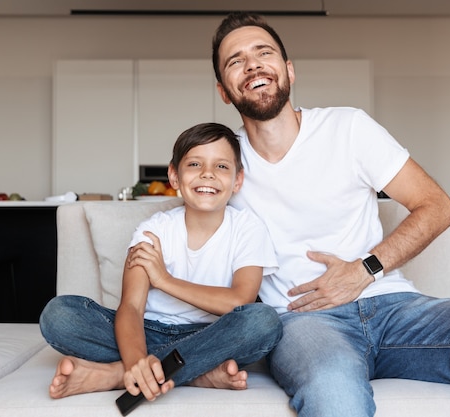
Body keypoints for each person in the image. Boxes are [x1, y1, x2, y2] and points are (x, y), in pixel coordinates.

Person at [211, 12, 450, 417]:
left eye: (263, 52)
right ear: (224, 92)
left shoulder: (348, 127)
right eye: (235, 61)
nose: (252, 65)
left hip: (392, 307)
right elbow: (195, 252)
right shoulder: (220, 163)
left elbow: (437, 207)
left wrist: (363, 270)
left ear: (288, 70)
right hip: (304, 324)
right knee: (334, 393)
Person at [39, 122, 282, 402]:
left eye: (222, 167)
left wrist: (165, 280)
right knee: (59, 315)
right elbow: (130, 307)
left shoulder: (248, 229)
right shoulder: (152, 231)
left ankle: (116, 376)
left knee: (264, 322)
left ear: (237, 180)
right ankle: (194, 372)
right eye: (194, 164)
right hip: (148, 331)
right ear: (174, 176)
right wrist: (135, 361)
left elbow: (240, 299)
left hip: (211, 334)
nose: (207, 174)